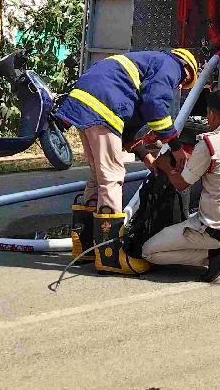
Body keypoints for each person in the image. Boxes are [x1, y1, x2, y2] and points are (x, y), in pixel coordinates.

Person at [54, 48, 199, 275]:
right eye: (183, 82)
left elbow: (131, 126)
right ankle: (110, 256)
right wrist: (176, 147)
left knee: (98, 174)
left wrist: (146, 156)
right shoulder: (171, 66)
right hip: (103, 106)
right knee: (112, 176)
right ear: (187, 71)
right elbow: (156, 106)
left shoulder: (149, 63)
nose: (179, 86)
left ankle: (87, 246)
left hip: (84, 102)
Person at [142, 88, 220, 282]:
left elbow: (181, 184)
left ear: (211, 114)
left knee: (149, 252)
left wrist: (164, 164)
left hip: (218, 229)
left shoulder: (209, 144)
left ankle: (215, 255)